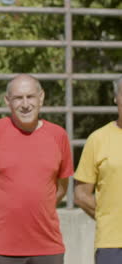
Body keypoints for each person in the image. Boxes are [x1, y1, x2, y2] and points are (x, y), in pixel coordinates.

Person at [0, 74, 73, 264]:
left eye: (30, 97)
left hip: (47, 247)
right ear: (7, 101)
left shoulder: (59, 136)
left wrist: (39, 209)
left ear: (41, 97)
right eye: (18, 98)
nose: (25, 104)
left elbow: (62, 186)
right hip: (1, 249)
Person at [74, 77, 122, 264]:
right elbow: (81, 194)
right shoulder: (98, 139)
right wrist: (108, 218)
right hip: (112, 246)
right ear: (115, 98)